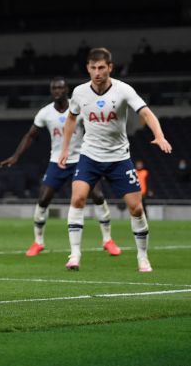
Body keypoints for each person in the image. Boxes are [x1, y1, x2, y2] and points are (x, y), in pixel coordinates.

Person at [58, 47, 172, 272]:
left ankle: (142, 257)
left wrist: (159, 136)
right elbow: (71, 119)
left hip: (119, 158)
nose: (97, 72)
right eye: (93, 68)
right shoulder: (80, 92)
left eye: (102, 67)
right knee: (78, 198)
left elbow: (146, 113)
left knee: (136, 208)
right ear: (88, 69)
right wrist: (65, 149)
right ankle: (75, 254)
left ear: (110, 67)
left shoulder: (123, 90)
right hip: (89, 156)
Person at [0, 76, 120, 257]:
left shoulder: (78, 107)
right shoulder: (45, 113)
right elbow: (31, 135)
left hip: (82, 160)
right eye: (54, 88)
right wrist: (16, 156)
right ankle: (38, 242)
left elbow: (96, 127)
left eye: (60, 88)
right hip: (57, 162)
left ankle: (108, 240)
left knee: (98, 195)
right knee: (43, 199)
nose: (57, 91)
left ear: (66, 90)